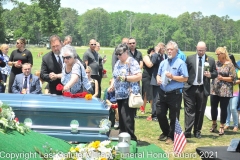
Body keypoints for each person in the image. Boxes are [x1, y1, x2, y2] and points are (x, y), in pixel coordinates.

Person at [156, 40, 188, 144]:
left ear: (176, 51)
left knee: (174, 116)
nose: (169, 51)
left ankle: (171, 136)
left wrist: (173, 77)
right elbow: (158, 74)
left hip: (174, 94)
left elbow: (185, 78)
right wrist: (158, 79)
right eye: (167, 49)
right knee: (160, 113)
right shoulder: (163, 62)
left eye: (171, 49)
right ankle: (165, 132)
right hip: (162, 92)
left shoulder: (181, 63)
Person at [183, 41, 218, 138]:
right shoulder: (190, 58)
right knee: (189, 110)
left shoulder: (210, 60)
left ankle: (197, 131)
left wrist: (210, 75)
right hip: (190, 88)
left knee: (200, 110)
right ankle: (188, 131)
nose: (201, 52)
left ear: (206, 49)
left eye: (202, 50)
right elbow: (184, 72)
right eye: (199, 50)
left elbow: (215, 73)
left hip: (202, 88)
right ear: (196, 48)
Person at [109, 43, 142, 141]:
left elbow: (139, 76)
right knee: (122, 118)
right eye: (117, 54)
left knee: (127, 118)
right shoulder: (118, 63)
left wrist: (126, 78)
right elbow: (115, 77)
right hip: (119, 94)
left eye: (120, 54)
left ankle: (131, 138)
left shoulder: (132, 62)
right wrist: (112, 86)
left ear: (126, 52)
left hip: (129, 93)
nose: (118, 56)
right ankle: (123, 136)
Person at [210, 47, 236, 135]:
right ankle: (214, 123)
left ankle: (222, 125)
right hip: (215, 89)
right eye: (216, 54)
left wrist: (223, 78)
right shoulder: (216, 63)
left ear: (223, 54)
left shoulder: (230, 64)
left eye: (218, 54)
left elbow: (233, 78)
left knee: (223, 108)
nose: (217, 56)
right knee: (213, 107)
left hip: (225, 90)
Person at [148, 42, 167, 121]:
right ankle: (154, 115)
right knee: (156, 99)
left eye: (163, 48)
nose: (163, 50)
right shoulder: (155, 56)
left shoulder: (166, 56)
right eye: (161, 48)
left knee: (164, 99)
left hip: (165, 80)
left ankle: (162, 114)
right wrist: (156, 52)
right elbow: (152, 62)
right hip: (156, 80)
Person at [225, 54, 240, 132]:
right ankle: (227, 124)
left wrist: (232, 82)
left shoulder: (237, 69)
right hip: (226, 91)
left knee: (233, 108)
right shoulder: (225, 68)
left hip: (234, 91)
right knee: (227, 109)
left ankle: (236, 125)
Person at [141, 47, 154, 114]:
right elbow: (149, 65)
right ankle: (143, 109)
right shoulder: (146, 57)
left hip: (153, 77)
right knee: (145, 94)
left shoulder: (155, 58)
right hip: (146, 77)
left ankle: (152, 108)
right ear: (152, 51)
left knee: (151, 94)